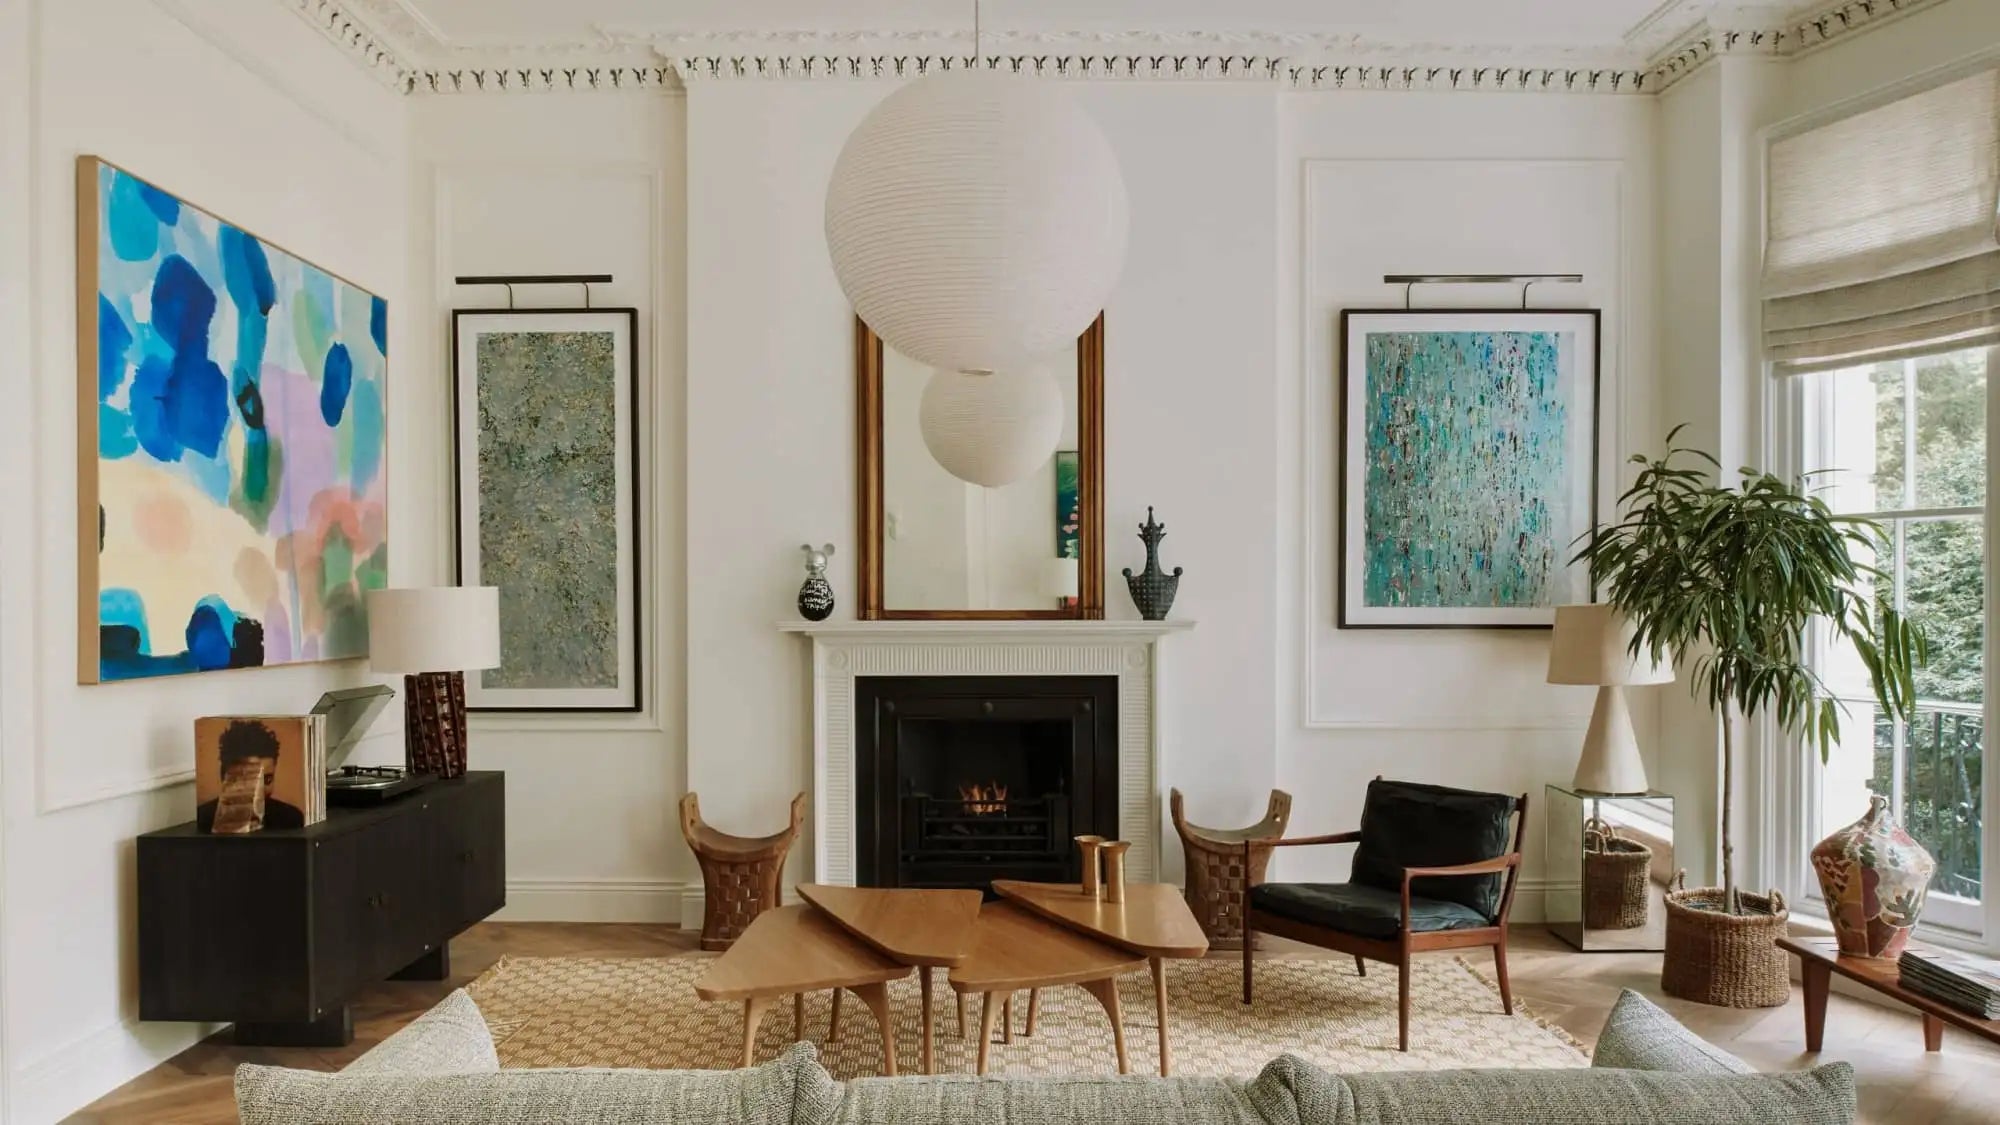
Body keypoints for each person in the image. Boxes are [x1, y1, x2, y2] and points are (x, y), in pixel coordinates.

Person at [196, 719, 305, 831]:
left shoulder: (291, 819)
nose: (260, 791)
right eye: (251, 779)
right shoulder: (204, 819)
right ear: (224, 776)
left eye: (267, 780)